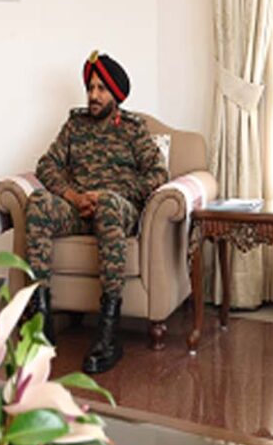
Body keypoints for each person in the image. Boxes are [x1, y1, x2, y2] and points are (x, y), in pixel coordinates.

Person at [25, 51, 169, 374]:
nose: (93, 95)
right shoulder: (75, 125)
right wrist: (73, 197)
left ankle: (108, 332)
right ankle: (41, 323)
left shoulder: (133, 129)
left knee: (107, 205)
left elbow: (158, 173)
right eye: (90, 88)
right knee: (37, 203)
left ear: (115, 93)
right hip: (79, 208)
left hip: (118, 208)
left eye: (101, 89)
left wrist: (113, 195)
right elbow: (46, 165)